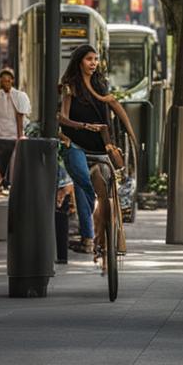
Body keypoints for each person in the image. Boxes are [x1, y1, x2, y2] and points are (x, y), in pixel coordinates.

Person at [57, 45, 136, 255]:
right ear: (79, 62)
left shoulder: (101, 85)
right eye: (88, 59)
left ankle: (92, 236)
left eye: (95, 59)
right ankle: (89, 235)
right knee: (84, 182)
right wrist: (83, 126)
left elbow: (113, 111)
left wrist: (128, 135)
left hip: (101, 147)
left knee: (106, 185)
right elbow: (62, 118)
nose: (93, 63)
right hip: (76, 143)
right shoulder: (70, 87)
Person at [0, 68, 31, 189]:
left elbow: (20, 116)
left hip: (13, 135)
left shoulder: (19, 96)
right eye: (3, 80)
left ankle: (9, 184)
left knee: (12, 164)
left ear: (12, 81)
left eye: (8, 80)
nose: (6, 83)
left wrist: (20, 136)